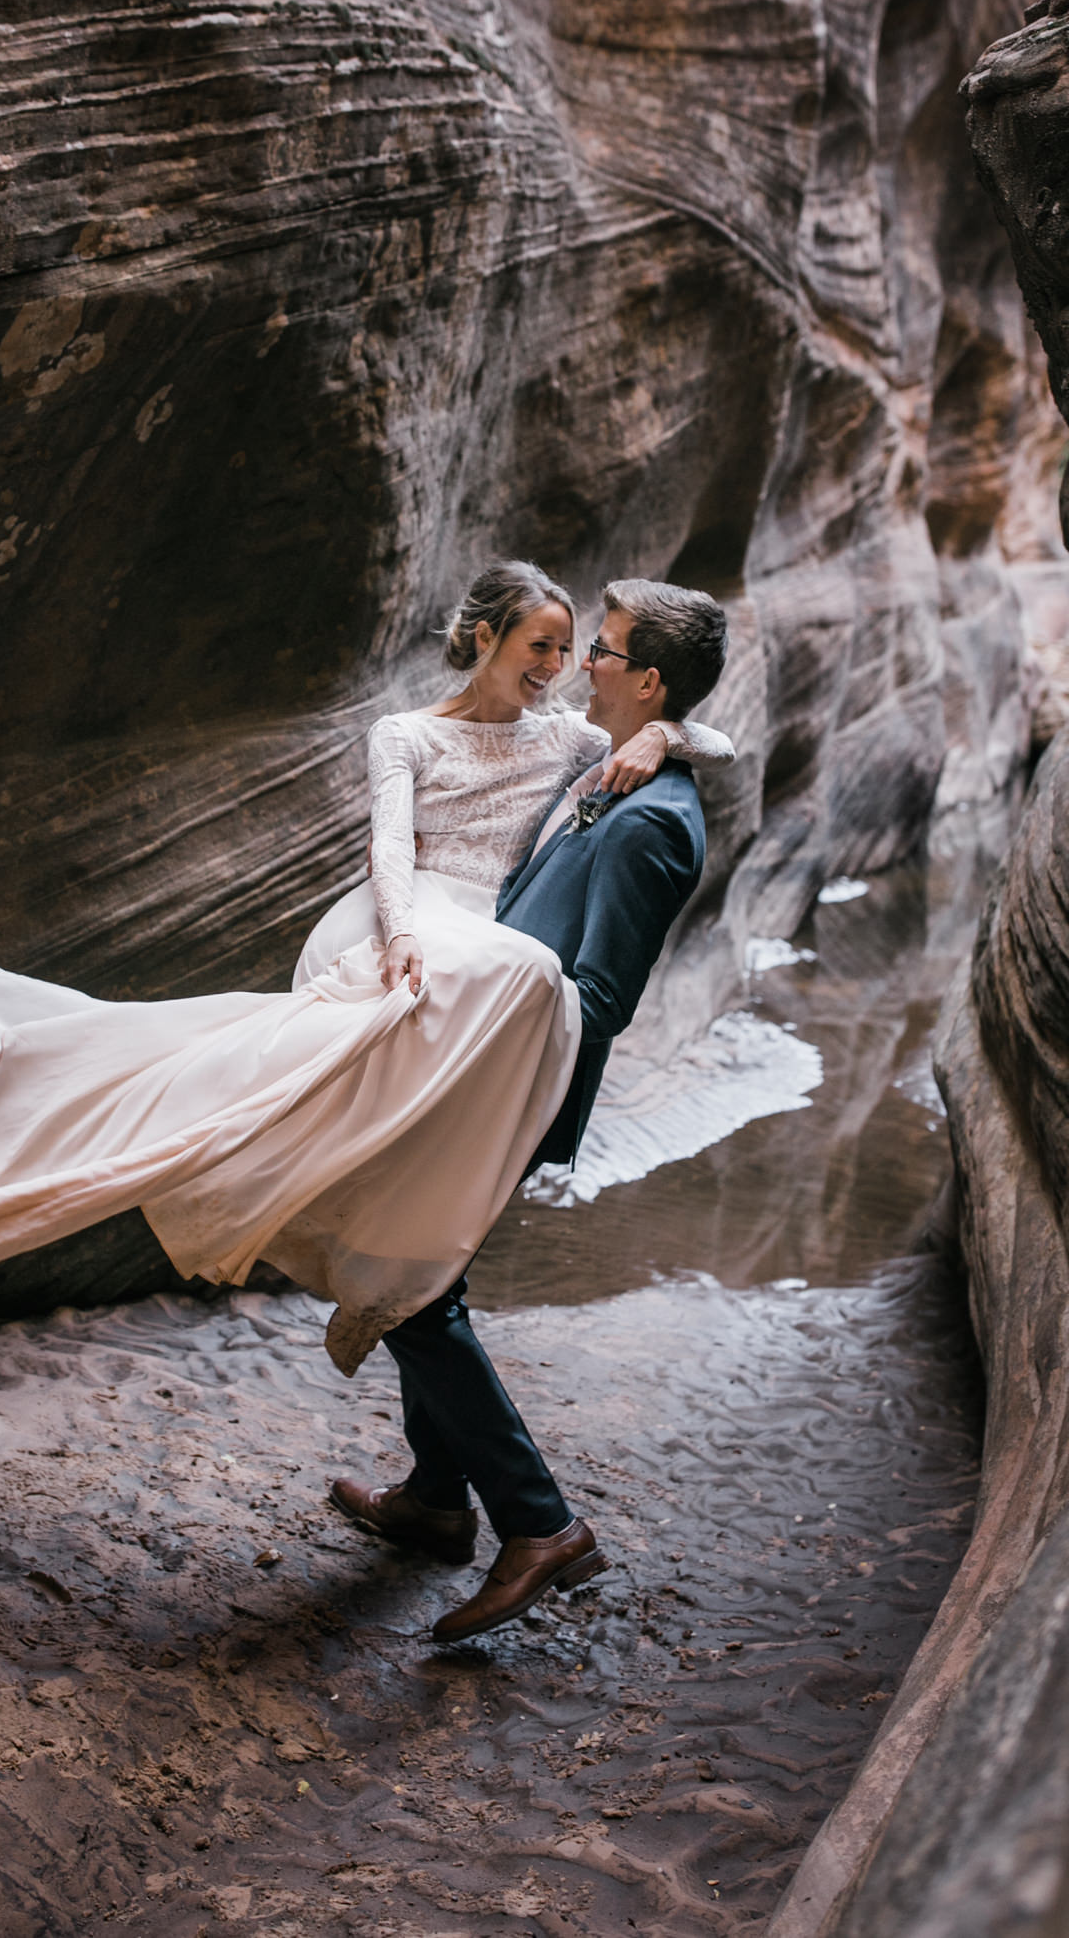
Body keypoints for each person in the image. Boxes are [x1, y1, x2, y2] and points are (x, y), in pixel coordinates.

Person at [0, 565, 732, 1391]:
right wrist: (399, 936)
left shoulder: (581, 745)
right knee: (226, 1114)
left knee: (402, 1248)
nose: (565, 666)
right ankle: (464, 1497)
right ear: (483, 640)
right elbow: (389, 851)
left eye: (581, 649)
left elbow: (698, 744)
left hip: (483, 1003)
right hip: (417, 969)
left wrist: (670, 732)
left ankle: (499, 1510)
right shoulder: (416, 735)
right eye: (545, 647)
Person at [330, 577, 730, 1643]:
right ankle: (430, 1498)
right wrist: (672, 735)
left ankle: (539, 1524)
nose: (580, 665)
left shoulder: (654, 825)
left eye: (599, 651)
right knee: (426, 1271)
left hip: (506, 1080)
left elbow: (597, 999)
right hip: (474, 1057)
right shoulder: (618, 768)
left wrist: (472, 1005)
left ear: (645, 679)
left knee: (412, 1289)